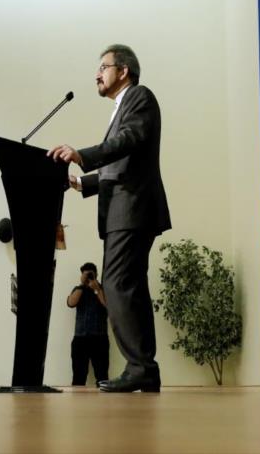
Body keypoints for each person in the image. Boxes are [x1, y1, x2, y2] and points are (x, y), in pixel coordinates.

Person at [48, 44, 170, 393]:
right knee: (130, 288)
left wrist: (81, 155)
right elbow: (122, 163)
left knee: (117, 285)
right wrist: (83, 183)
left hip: (131, 210)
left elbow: (130, 141)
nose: (97, 74)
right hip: (124, 209)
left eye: (104, 66)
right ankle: (144, 368)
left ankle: (140, 366)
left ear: (124, 70)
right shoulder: (123, 106)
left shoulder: (139, 97)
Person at [67, 262, 109, 386]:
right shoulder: (78, 289)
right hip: (80, 338)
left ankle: (103, 405)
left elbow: (108, 305)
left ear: (96, 274)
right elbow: (71, 303)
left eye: (91, 274)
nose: (89, 277)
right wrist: (82, 284)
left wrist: (97, 289)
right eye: (86, 275)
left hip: (100, 338)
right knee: (78, 378)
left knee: (102, 378)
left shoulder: (103, 289)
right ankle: (78, 405)